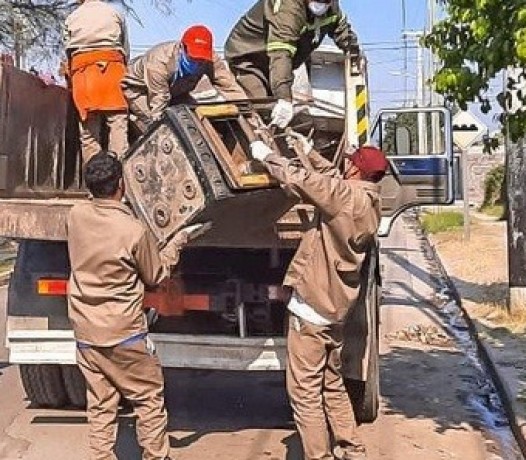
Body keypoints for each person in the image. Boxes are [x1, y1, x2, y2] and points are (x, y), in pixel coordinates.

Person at [250, 135, 387, 460]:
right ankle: (353, 449)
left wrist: (267, 155)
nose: (347, 163)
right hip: (336, 307)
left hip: (311, 308)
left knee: (304, 394)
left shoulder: (342, 197)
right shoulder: (370, 200)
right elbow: (330, 179)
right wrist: (305, 149)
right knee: (332, 383)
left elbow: (304, 181)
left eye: (351, 161)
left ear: (356, 169)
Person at [67, 151, 206, 460]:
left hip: (86, 332)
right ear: (121, 185)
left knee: (101, 404)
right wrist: (178, 241)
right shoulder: (133, 230)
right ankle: (156, 455)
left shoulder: (75, 215)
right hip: (124, 332)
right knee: (147, 399)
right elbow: (156, 275)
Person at [225, 0, 361, 128]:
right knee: (262, 108)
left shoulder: (332, 8)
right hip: (248, 56)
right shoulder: (288, 8)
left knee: (288, 114)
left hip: (274, 63)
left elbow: (342, 31)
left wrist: (353, 50)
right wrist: (284, 98)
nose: (320, 5)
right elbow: (281, 54)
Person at [122, 25, 246, 130]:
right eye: (193, 58)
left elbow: (231, 88)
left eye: (201, 60)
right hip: (139, 90)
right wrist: (160, 127)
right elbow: (159, 102)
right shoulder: (159, 61)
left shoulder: (211, 60)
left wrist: (251, 119)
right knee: (163, 127)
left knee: (198, 118)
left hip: (176, 92)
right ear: (182, 48)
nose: (198, 63)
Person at [64, 0, 130, 163]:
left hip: (84, 77)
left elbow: (68, 54)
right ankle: (120, 179)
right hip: (113, 74)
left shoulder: (72, 18)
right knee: (118, 126)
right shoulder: (115, 13)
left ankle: (96, 183)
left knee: (89, 136)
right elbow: (125, 50)